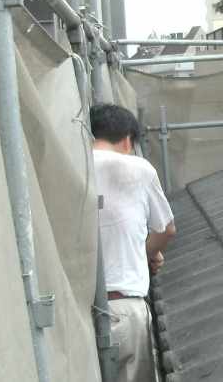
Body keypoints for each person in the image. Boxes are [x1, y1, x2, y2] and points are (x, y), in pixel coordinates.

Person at [91, 103, 176, 382]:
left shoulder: (69, 166)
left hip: (77, 311)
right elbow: (165, 229)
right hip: (124, 306)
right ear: (128, 140)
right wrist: (145, 253)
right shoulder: (138, 168)